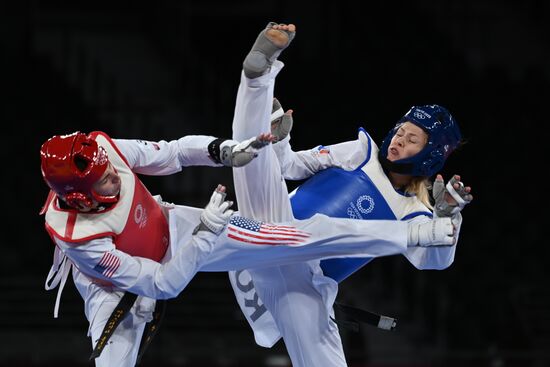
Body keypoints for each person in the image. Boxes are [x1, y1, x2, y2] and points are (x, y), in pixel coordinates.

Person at [40, 130, 455, 366]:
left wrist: (223, 150)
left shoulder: (102, 149)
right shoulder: (81, 236)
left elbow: (172, 153)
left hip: (177, 227)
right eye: (103, 181)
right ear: (80, 198)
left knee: (299, 236)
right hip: (117, 284)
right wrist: (205, 234)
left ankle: (411, 235)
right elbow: (162, 284)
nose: (114, 173)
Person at [227, 22, 473, 367]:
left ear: (430, 156)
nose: (400, 139)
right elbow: (287, 168)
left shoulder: (413, 213)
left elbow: (434, 261)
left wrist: (447, 218)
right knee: (255, 157)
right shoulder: (360, 152)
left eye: (412, 139)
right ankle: (257, 78)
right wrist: (280, 140)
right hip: (268, 233)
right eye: (401, 131)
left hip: (298, 281)